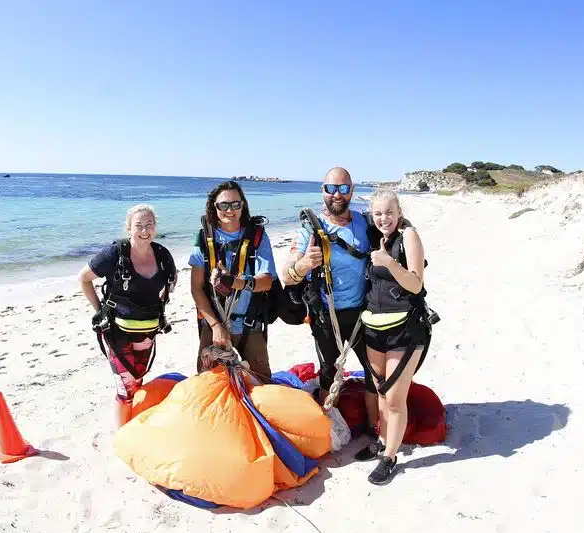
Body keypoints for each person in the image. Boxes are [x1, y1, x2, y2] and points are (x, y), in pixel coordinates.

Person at [281, 166, 379, 436]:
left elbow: (394, 231)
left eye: (344, 188)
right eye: (331, 188)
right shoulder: (308, 231)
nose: (337, 194)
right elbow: (286, 275)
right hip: (327, 317)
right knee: (328, 372)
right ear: (323, 191)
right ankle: (328, 428)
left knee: (373, 371)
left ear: (352, 191)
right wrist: (302, 265)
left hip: (362, 314)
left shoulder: (365, 223)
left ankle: (374, 426)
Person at [357, 187, 432, 485]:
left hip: (406, 328)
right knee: (379, 391)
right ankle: (382, 440)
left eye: (389, 212)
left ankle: (390, 456)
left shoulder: (409, 236)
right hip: (374, 326)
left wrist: (389, 263)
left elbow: (415, 284)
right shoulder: (377, 238)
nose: (383, 218)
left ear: (399, 212)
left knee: (395, 397)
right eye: (377, 213)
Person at [79, 204, 177, 429]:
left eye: (149, 225)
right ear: (128, 229)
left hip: (148, 331)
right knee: (125, 388)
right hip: (117, 332)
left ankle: (133, 424)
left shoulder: (163, 255)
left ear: (155, 228)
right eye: (138, 226)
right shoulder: (115, 253)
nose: (144, 230)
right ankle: (122, 433)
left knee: (138, 381)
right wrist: (100, 311)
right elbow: (84, 279)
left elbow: (171, 281)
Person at [189, 180, 278, 382]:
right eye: (224, 205)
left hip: (249, 323)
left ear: (243, 205)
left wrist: (236, 282)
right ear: (214, 206)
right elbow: (196, 289)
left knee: (261, 384)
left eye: (236, 204)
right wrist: (215, 326)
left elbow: (266, 281)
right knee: (209, 385)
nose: (230, 210)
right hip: (213, 325)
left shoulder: (257, 236)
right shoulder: (203, 239)